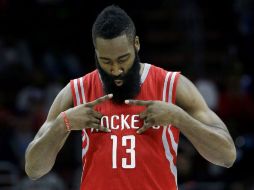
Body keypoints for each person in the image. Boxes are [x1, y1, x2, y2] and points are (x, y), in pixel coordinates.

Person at [25, 5, 236, 190]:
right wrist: (64, 124)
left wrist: (179, 118)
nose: (116, 70)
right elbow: (34, 169)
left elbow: (226, 156)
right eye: (106, 61)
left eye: (122, 59)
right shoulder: (77, 90)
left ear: (136, 44)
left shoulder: (172, 85)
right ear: (96, 52)